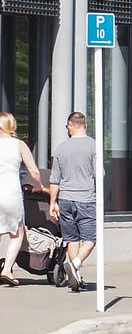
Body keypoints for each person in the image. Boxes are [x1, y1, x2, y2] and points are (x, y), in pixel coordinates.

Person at [48, 111, 96, 293]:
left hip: (65, 199)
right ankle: (75, 264)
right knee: (91, 238)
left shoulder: (61, 148)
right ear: (84, 125)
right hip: (86, 199)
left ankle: (76, 277)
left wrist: (53, 202)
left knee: (71, 239)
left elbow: (55, 178)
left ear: (70, 125)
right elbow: (99, 174)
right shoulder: (94, 146)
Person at [0, 113, 43, 286]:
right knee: (17, 234)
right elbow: (33, 171)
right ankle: (7, 269)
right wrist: (38, 185)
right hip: (10, 193)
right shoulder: (19, 145)